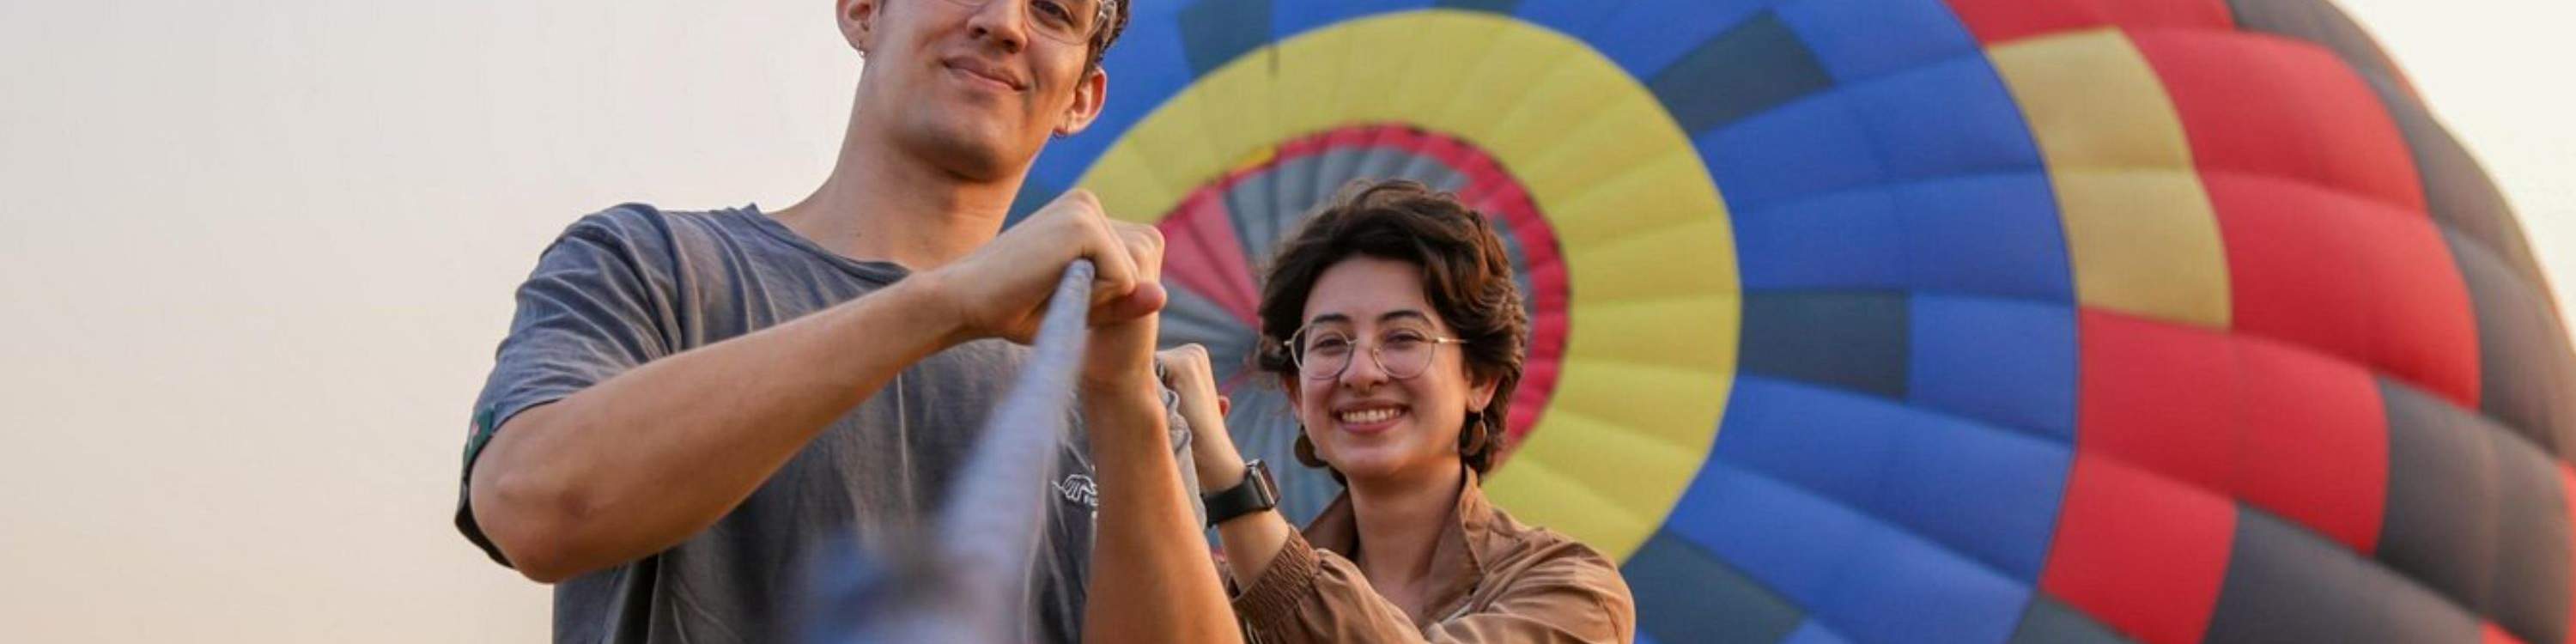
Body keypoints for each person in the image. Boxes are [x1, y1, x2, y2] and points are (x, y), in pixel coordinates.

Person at [451, 0, 1234, 641]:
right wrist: (943, 302)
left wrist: (1126, 397)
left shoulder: (1124, 398)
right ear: (863, 11)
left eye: (1054, 10)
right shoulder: (652, 262)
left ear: (1081, 98)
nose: (1003, 22)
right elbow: (531, 506)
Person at [1155, 179, 1636, 641]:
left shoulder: (1571, 591)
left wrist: (1234, 490)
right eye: (1329, 343)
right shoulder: (1223, 601)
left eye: (1403, 337)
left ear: (1481, 380)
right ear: (1297, 392)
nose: (1360, 372)